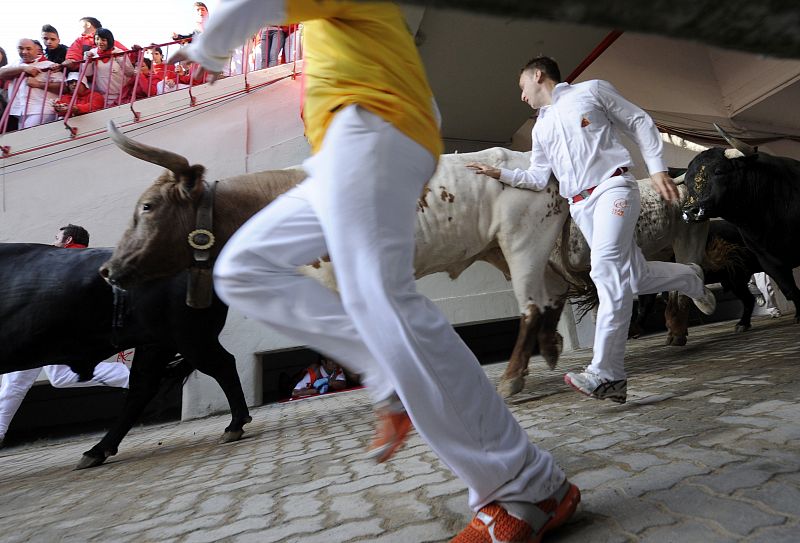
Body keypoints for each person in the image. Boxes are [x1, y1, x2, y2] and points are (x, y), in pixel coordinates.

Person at [172, 3, 580, 541]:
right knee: (245, 269)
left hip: (375, 130)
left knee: (383, 303)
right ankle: (387, 378)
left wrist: (209, 49)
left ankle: (527, 487)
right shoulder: (333, 27)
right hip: (342, 151)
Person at [467, 56, 717, 405]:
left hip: (613, 189)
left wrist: (657, 168)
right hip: (581, 205)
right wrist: (502, 174)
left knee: (604, 270)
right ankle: (691, 278)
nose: (521, 95)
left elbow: (638, 120)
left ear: (537, 75)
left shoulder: (592, 90)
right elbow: (539, 177)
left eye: (521, 86)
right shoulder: (540, 129)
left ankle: (608, 374)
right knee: (633, 277)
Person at [0, 225, 130, 447]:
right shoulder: (80, 262)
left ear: (68, 239)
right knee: (59, 378)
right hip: (55, 333)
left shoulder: (59, 261)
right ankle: (133, 377)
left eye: (57, 237)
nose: (54, 242)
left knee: (15, 382)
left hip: (41, 332)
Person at [0, 38, 63, 129]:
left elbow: (64, 87)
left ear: (36, 50)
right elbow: (1, 72)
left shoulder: (49, 65)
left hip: (42, 109)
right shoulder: (16, 63)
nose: (24, 52)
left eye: (28, 49)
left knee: (26, 138)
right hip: (20, 111)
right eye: (21, 48)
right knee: (24, 138)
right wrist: (23, 69)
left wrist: (39, 84)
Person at [84, 28, 135, 107]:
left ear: (109, 41)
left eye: (103, 40)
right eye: (97, 39)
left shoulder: (118, 52)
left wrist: (119, 58)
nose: (99, 42)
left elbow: (129, 72)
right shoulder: (92, 53)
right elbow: (87, 73)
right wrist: (88, 60)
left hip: (122, 95)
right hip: (104, 97)